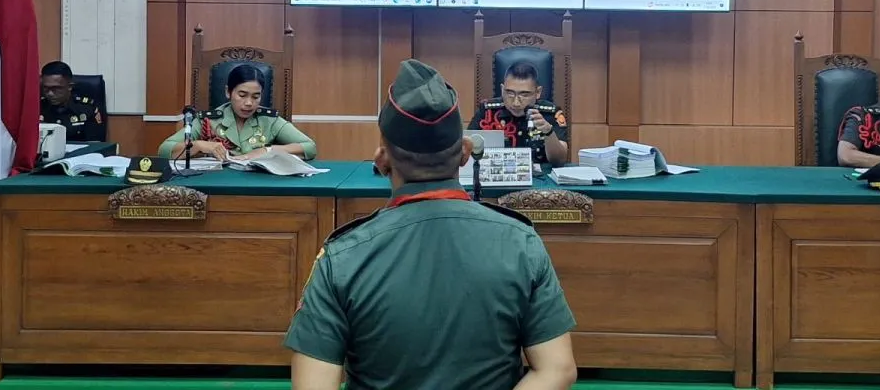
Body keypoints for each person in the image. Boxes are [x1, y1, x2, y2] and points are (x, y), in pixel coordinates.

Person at [285, 59, 577, 390]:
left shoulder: (342, 257)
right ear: (465, 153)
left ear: (381, 160)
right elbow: (557, 370)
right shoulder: (520, 242)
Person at [157, 64, 316, 161]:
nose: (249, 103)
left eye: (256, 96)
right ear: (228, 92)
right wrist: (198, 145)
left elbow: (309, 147)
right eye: (242, 95)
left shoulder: (269, 120)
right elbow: (164, 150)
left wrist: (267, 150)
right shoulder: (209, 120)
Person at [469, 62, 569, 167]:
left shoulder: (550, 113)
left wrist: (548, 132)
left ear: (538, 92)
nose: (516, 103)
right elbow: (467, 148)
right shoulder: (487, 111)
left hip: (541, 175)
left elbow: (560, 160)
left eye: (524, 95)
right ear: (502, 89)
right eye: (510, 93)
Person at [39, 61, 105, 142]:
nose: (50, 93)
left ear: (70, 86)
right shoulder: (38, 109)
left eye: (56, 88)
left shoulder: (87, 109)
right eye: (46, 88)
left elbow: (95, 143)